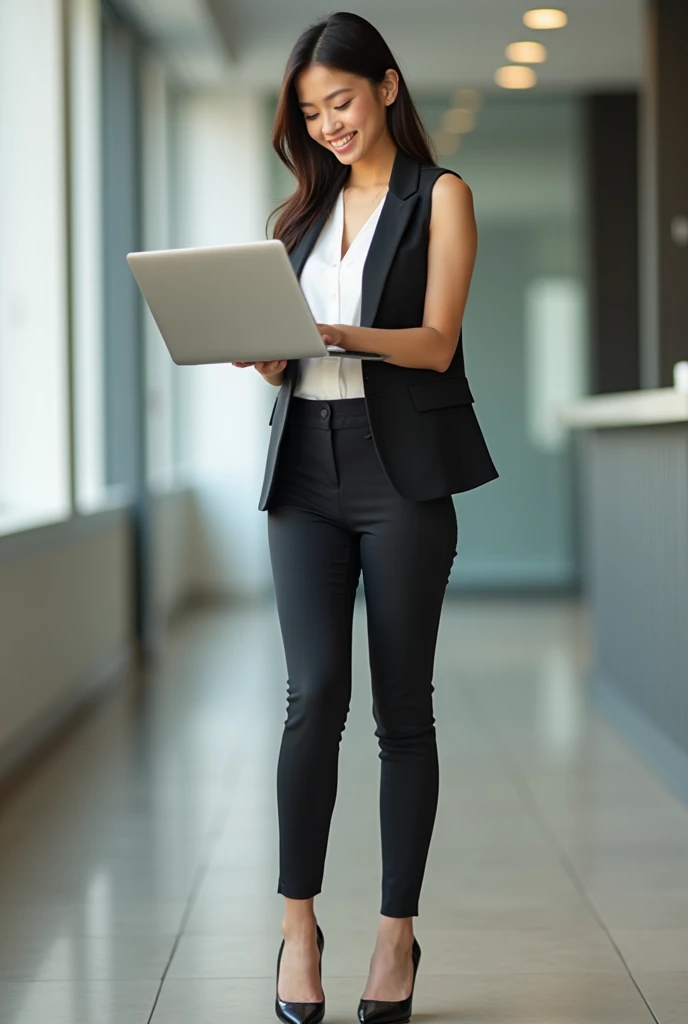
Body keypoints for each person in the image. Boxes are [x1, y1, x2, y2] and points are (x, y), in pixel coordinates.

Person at [233, 12, 498, 1024]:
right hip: (304, 466)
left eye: (339, 101)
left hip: (401, 476)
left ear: (386, 87)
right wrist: (267, 348)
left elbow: (434, 343)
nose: (327, 122)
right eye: (309, 110)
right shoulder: (293, 217)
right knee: (312, 698)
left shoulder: (442, 197)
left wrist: (328, 332)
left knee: (401, 711)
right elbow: (279, 353)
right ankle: (297, 927)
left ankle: (396, 933)